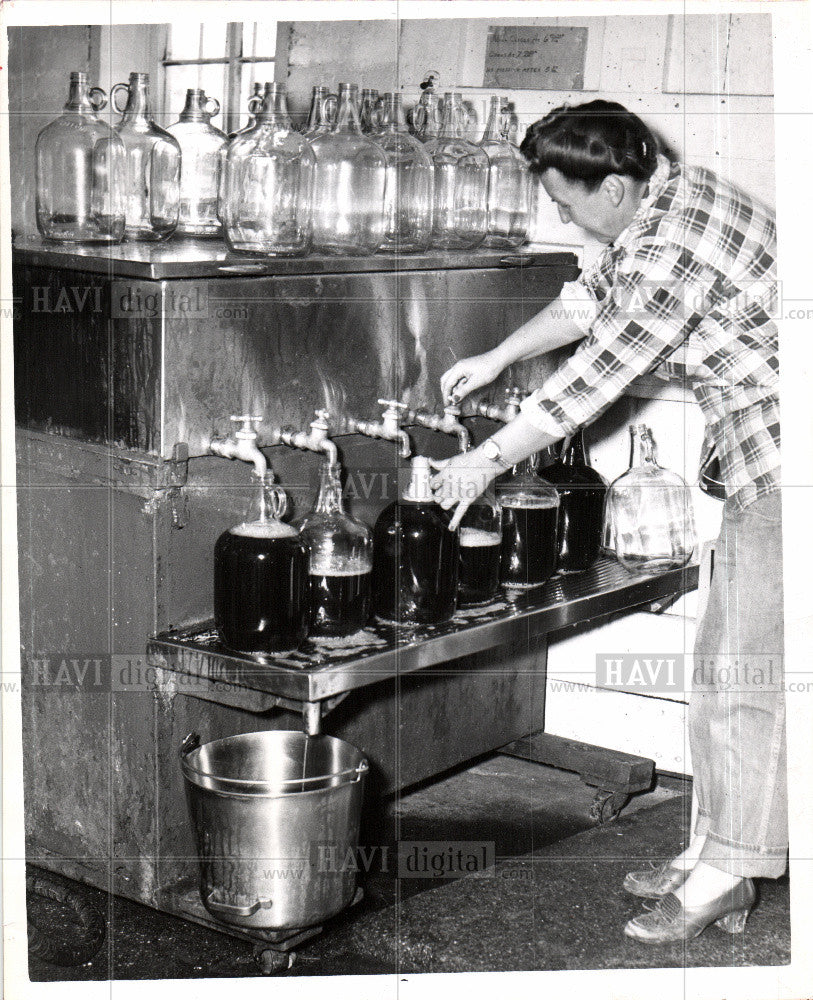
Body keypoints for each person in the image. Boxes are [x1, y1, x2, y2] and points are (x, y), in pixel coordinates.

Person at [431, 100, 785, 944]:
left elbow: (594, 380)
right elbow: (591, 302)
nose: (560, 218)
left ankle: (728, 876)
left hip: (786, 455)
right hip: (764, 449)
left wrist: (482, 461)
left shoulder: (669, 244)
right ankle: (715, 842)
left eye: (566, 204)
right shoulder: (670, 195)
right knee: (723, 665)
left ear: (616, 187)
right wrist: (497, 357)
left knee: (748, 673)